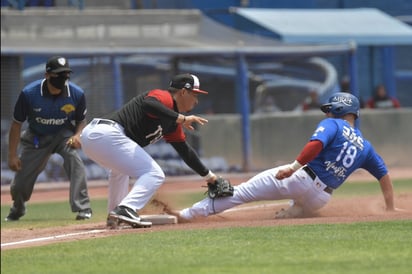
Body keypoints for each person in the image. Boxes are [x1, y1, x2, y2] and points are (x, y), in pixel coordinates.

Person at [175, 92, 401, 221]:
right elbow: (383, 175)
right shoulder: (366, 147)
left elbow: (316, 144)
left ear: (342, 110)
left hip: (300, 178)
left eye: (331, 108)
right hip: (321, 198)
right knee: (301, 204)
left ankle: (188, 214)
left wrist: (292, 168)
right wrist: (390, 207)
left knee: (242, 192)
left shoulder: (333, 124)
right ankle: (296, 210)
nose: (328, 112)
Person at [80, 73, 230, 228]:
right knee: (154, 173)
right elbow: (149, 104)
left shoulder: (172, 123)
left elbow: (185, 151)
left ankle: (115, 214)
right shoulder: (164, 97)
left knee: (119, 171)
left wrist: (210, 177)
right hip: (106, 133)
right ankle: (126, 209)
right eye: (194, 94)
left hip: (95, 137)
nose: (196, 100)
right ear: (183, 92)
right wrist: (182, 118)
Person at [6, 56, 92, 221]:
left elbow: (81, 121)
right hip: (36, 137)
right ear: (47, 75)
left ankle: (83, 208)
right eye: (59, 75)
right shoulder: (29, 94)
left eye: (66, 74)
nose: (63, 78)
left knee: (75, 161)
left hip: (64, 135)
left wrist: (77, 135)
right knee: (21, 181)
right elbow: (16, 124)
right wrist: (12, 155)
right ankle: (18, 207)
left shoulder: (77, 94)